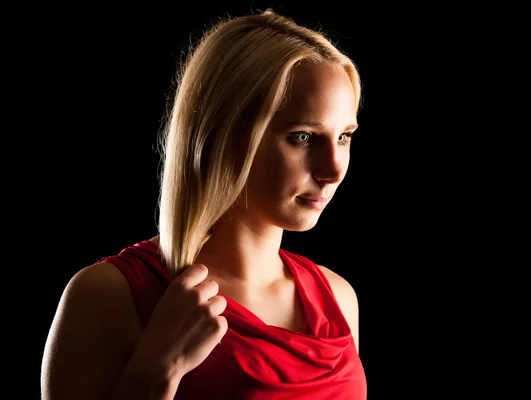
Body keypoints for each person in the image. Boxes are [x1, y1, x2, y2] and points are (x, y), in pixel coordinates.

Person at [41, 9, 365, 400]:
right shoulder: (107, 297)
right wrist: (157, 372)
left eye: (344, 137)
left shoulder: (339, 299)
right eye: (302, 137)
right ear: (222, 133)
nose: (333, 169)